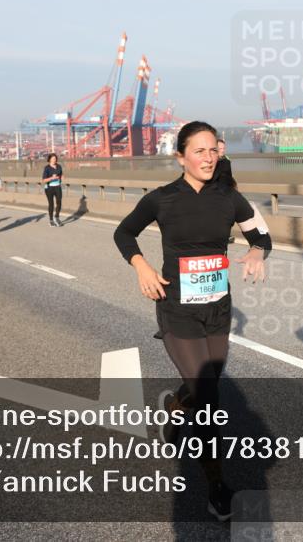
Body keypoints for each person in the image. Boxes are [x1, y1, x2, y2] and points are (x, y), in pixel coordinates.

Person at [114, 121, 272, 522]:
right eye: (198, 151)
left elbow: (262, 235)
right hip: (178, 309)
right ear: (180, 156)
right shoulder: (162, 199)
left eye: (212, 151)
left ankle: (173, 407)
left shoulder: (230, 198)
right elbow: (124, 233)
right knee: (209, 399)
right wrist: (142, 268)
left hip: (217, 309)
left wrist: (256, 252)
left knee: (206, 386)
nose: (207, 158)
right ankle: (217, 489)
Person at [41, 153, 64, 226]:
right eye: (53, 158)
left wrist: (62, 177)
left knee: (59, 202)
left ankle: (56, 217)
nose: (54, 160)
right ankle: (51, 220)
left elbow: (61, 174)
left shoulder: (59, 166)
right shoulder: (47, 168)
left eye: (55, 158)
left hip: (57, 187)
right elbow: (43, 180)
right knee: (51, 204)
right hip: (49, 188)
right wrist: (52, 178)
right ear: (50, 159)